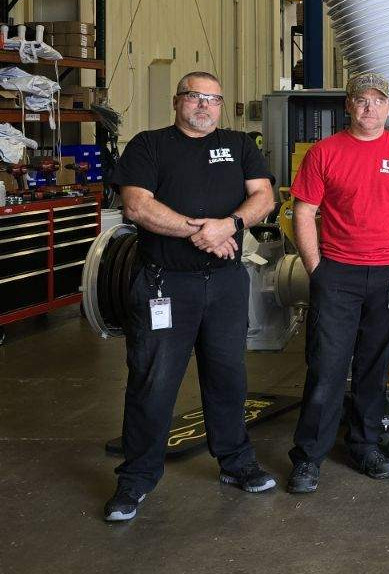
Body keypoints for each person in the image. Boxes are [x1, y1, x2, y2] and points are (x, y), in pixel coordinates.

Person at [105, 71, 277, 521]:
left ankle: (236, 463)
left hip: (224, 284)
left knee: (228, 377)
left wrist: (231, 226)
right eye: (195, 97)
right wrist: (202, 232)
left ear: (222, 105)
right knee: (153, 381)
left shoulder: (240, 145)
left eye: (213, 99)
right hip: (166, 284)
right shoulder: (149, 144)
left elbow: (263, 197)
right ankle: (136, 480)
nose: (204, 106)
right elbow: (137, 206)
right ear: (177, 100)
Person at [286, 73, 389, 493]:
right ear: (348, 106)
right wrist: (317, 270)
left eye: (377, 100)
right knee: (327, 368)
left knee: (375, 366)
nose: (369, 108)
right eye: (360, 100)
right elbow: (303, 212)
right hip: (338, 274)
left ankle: (365, 444)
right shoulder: (324, 154)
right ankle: (308, 456)